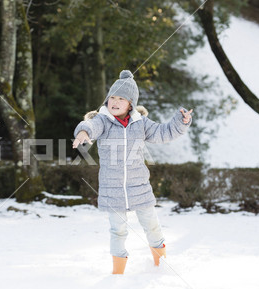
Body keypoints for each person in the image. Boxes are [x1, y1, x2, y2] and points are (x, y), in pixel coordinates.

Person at [72, 70, 193, 274]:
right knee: (118, 231)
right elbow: (90, 124)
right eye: (112, 97)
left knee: (152, 226)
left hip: (140, 187)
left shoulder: (141, 123)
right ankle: (118, 271)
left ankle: (160, 265)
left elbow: (163, 133)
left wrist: (180, 122)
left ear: (131, 104)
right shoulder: (103, 121)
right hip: (113, 189)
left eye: (121, 99)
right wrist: (83, 131)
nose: (115, 102)